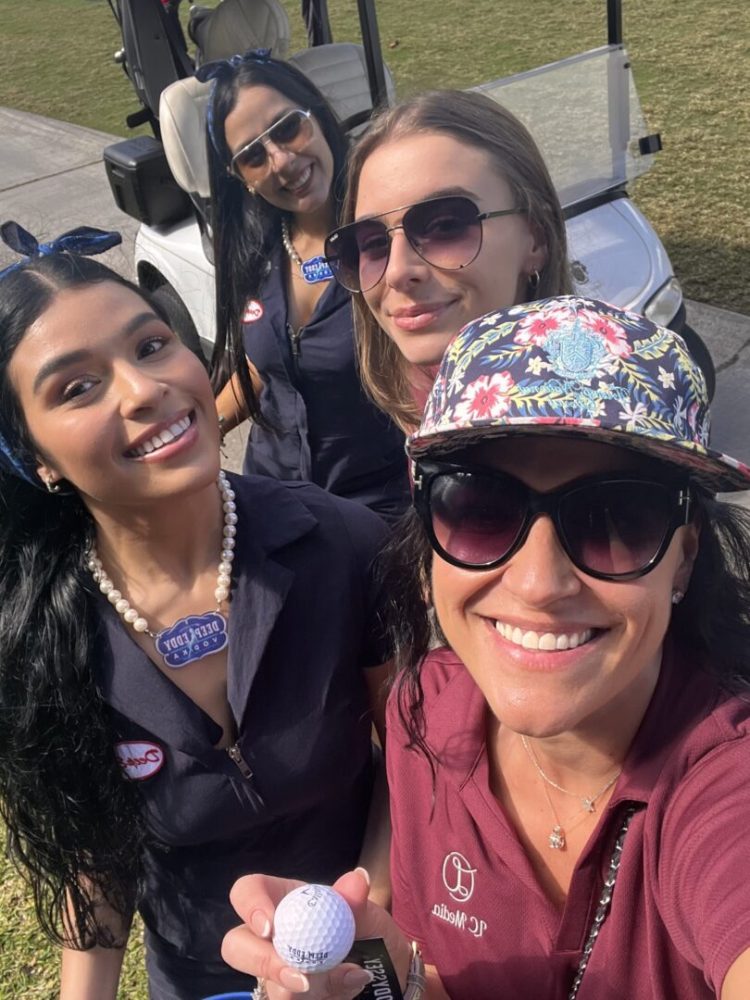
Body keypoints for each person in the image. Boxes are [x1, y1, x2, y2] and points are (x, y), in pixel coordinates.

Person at [219, 296, 750, 999]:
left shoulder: (721, 781)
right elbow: (421, 976)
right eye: (481, 508)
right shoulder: (425, 712)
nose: (537, 584)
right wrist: (371, 974)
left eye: (616, 517)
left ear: (683, 559)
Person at [0, 223, 393, 1000]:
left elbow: (411, 767)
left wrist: (361, 916)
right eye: (77, 387)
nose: (144, 388)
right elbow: (98, 862)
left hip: (363, 943)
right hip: (198, 981)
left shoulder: (345, 545)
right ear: (35, 458)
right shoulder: (40, 635)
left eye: (149, 345)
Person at [203, 50, 410, 523]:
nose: (281, 160)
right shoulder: (254, 252)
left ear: (317, 114)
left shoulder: (389, 237)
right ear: (241, 179)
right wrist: (206, 427)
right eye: (253, 155)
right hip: (271, 500)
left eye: (287, 128)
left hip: (377, 511)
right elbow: (265, 363)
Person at [323, 89, 573, 432]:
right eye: (374, 242)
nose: (396, 272)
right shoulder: (423, 382)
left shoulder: (589, 430)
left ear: (537, 238)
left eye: (445, 226)